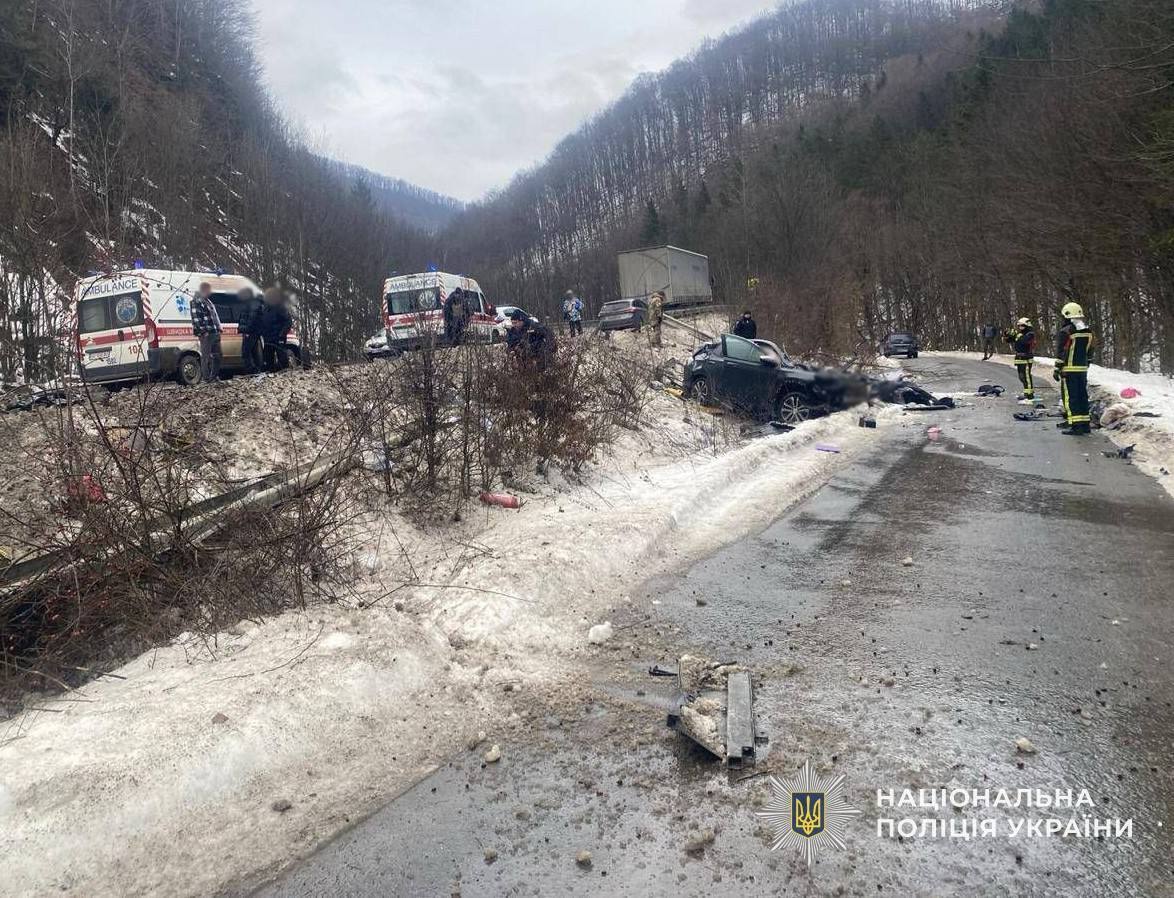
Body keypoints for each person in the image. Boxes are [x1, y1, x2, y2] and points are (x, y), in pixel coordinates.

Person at [1054, 301, 1095, 436]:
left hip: (1069, 369)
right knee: (1082, 396)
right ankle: (1085, 424)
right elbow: (1089, 350)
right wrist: (1087, 362)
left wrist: (1057, 368)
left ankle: (1075, 425)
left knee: (1071, 397)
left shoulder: (1066, 332)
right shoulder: (1087, 331)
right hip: (1082, 369)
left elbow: (1062, 352)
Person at [189, 282, 222, 383]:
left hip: (214, 331)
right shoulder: (196, 302)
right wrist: (203, 331)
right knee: (206, 356)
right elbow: (196, 319)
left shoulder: (208, 301)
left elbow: (214, 315)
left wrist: (219, 327)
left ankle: (214, 376)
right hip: (206, 333)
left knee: (218, 355)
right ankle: (206, 378)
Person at [259, 287, 293, 371]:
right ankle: (270, 371)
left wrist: (282, 334)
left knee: (282, 357)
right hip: (268, 338)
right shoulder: (265, 309)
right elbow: (263, 322)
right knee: (267, 358)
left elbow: (288, 321)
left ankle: (283, 372)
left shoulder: (280, 307)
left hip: (278, 337)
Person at [1004, 317, 1036, 403]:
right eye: (1019, 326)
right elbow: (1010, 340)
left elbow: (1025, 341)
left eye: (1022, 326)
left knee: (1026, 377)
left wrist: (1017, 335)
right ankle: (1027, 392)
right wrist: (1008, 335)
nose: (1020, 328)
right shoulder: (1020, 334)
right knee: (1021, 377)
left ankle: (1029, 394)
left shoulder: (1030, 334)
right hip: (1019, 358)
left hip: (1026, 358)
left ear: (1027, 325)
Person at [237, 286, 265, 375]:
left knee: (245, 352)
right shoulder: (255, 303)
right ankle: (256, 369)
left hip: (250, 331)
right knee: (254, 352)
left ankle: (251, 370)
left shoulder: (253, 304)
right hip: (254, 331)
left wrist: (247, 330)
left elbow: (251, 319)